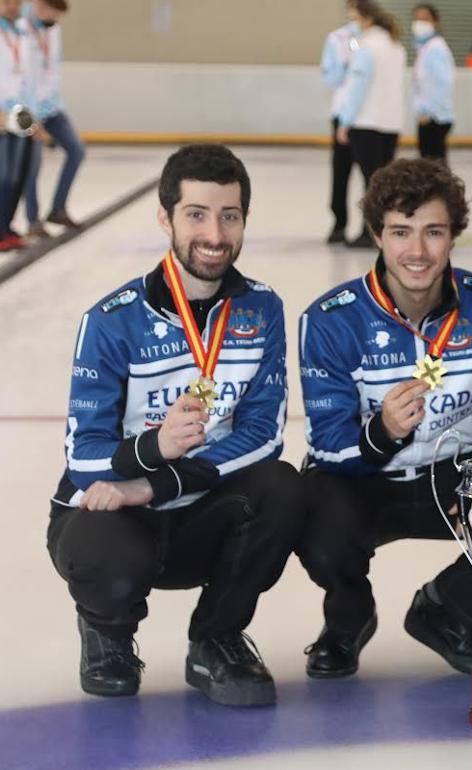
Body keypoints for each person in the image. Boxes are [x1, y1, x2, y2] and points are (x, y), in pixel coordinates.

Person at [47, 144, 304, 706]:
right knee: (100, 544)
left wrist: (161, 481)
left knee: (283, 487)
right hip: (114, 513)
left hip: (195, 507)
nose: (214, 233)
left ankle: (217, 640)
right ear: (165, 217)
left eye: (229, 216)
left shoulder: (261, 310)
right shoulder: (112, 320)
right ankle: (106, 632)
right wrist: (151, 450)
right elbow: (82, 455)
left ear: (243, 221)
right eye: (196, 214)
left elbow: (264, 434)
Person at [297, 158, 472, 678]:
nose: (417, 252)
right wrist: (383, 432)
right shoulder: (330, 320)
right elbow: (326, 444)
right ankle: (347, 620)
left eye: (433, 232)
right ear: (376, 234)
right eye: (401, 232)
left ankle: (450, 611)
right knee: (310, 513)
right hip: (367, 478)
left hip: (456, 475)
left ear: (454, 234)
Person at [337, 0, 405, 248]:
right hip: (390, 123)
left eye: (354, 16)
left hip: (366, 122)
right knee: (384, 182)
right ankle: (387, 231)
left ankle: (369, 232)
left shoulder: (367, 47)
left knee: (371, 184)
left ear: (366, 18)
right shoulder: (395, 46)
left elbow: (356, 89)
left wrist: (345, 122)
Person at [20, 0, 85, 239]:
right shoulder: (20, 25)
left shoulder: (52, 27)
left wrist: (52, 103)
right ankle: (33, 221)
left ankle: (58, 209)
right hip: (27, 108)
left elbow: (51, 69)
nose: (55, 20)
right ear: (39, 5)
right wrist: (32, 118)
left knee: (76, 151)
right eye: (53, 13)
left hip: (51, 105)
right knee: (32, 165)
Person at [0, 0, 39, 252]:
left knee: (16, 177)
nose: (13, 5)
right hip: (1, 116)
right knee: (3, 177)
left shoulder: (21, 33)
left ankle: (5, 227)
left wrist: (32, 117)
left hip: (20, 114)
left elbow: (26, 77)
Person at [320, 5, 359, 244]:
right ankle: (339, 222)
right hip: (343, 113)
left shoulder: (378, 41)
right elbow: (330, 77)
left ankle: (370, 226)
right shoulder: (337, 38)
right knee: (340, 172)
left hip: (369, 118)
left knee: (372, 177)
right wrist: (346, 65)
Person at [410, 4, 454, 163]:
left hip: (435, 117)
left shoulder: (436, 48)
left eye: (425, 19)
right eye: (417, 19)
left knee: (434, 168)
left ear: (435, 22)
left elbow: (445, 82)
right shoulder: (425, 48)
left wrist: (427, 110)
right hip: (427, 116)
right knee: (429, 166)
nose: (419, 23)